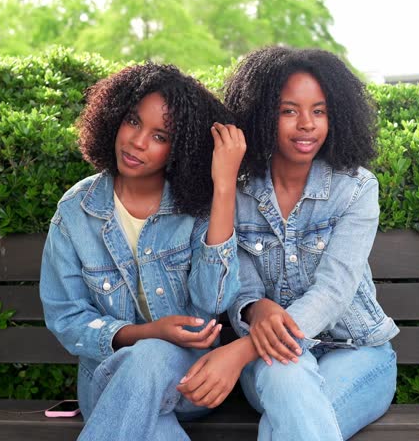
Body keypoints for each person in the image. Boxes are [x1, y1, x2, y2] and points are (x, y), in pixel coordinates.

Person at [177, 47, 399, 440]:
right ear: (262, 115)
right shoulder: (239, 192)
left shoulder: (356, 188)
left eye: (320, 110)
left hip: (357, 353)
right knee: (288, 385)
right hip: (272, 363)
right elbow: (232, 287)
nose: (307, 125)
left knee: (293, 418)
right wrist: (255, 307)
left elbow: (334, 291)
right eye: (289, 111)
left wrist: (240, 351)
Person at [39, 63, 245, 440]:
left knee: (150, 357)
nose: (137, 142)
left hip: (191, 379)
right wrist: (145, 332)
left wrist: (224, 187)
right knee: (148, 389)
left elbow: (214, 298)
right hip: (106, 378)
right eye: (133, 122)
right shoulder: (75, 211)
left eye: (159, 135)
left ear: (179, 149)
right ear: (114, 118)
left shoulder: (197, 208)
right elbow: (66, 317)